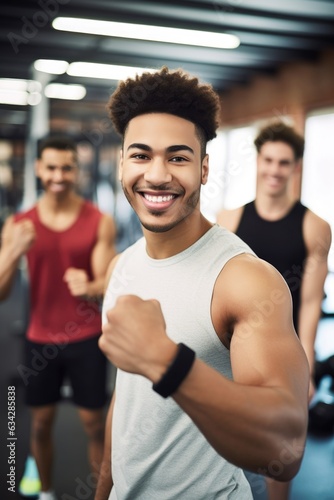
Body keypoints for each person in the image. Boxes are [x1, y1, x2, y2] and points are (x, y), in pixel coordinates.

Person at [94, 66, 310, 500]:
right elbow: (129, 403)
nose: (156, 175)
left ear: (204, 168)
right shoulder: (123, 267)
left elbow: (285, 450)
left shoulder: (243, 279)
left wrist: (168, 363)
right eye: (140, 155)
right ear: (121, 163)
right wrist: (104, 488)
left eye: (178, 157)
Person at [217, 121, 332, 500]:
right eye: (268, 160)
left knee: (279, 459)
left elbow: (313, 301)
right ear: (258, 160)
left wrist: (308, 363)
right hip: (234, 351)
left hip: (285, 353)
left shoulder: (314, 227)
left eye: (284, 163)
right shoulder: (228, 221)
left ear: (295, 167)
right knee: (228, 450)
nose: (274, 170)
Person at [0, 135, 117, 500]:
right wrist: (14, 251)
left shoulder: (99, 221)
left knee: (94, 425)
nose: (59, 175)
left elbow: (105, 284)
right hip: (39, 337)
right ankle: (47, 492)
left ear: (76, 170)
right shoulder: (20, 224)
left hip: (86, 337)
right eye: (51, 167)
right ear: (38, 169)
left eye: (67, 167)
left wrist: (91, 284)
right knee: (40, 424)